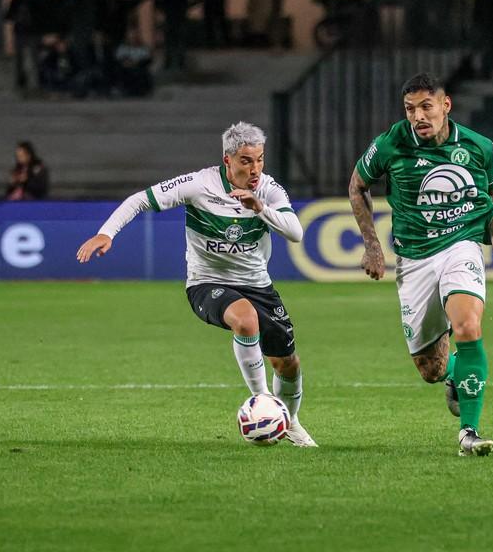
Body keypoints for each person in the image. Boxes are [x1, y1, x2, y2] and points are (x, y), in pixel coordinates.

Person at [76, 122, 317, 447]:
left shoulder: (268, 190)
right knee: (246, 321)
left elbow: (296, 232)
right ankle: (263, 404)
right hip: (207, 283)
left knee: (288, 364)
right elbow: (139, 200)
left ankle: (290, 420)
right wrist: (107, 232)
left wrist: (259, 207)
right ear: (228, 159)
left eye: (260, 159)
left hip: (258, 285)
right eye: (246, 161)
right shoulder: (198, 184)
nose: (255, 168)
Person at [348, 73, 493, 457]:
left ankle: (469, 433)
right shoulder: (390, 144)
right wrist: (372, 247)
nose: (418, 116)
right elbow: (357, 185)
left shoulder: (479, 147)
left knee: (467, 324)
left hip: (460, 247)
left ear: (445, 106)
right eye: (410, 109)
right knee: (430, 369)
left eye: (426, 107)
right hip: (413, 258)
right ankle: (454, 376)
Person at [153, 0, 193, 71]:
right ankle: (180, 60)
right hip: (180, 9)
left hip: (170, 9)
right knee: (180, 35)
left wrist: (160, 5)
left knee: (170, 36)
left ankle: (169, 60)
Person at [5, 0, 38, 89]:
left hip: (26, 32)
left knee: (26, 58)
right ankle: (25, 79)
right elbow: (8, 16)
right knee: (27, 58)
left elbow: (7, 16)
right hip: (26, 32)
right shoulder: (24, 2)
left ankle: (24, 79)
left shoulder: (19, 2)